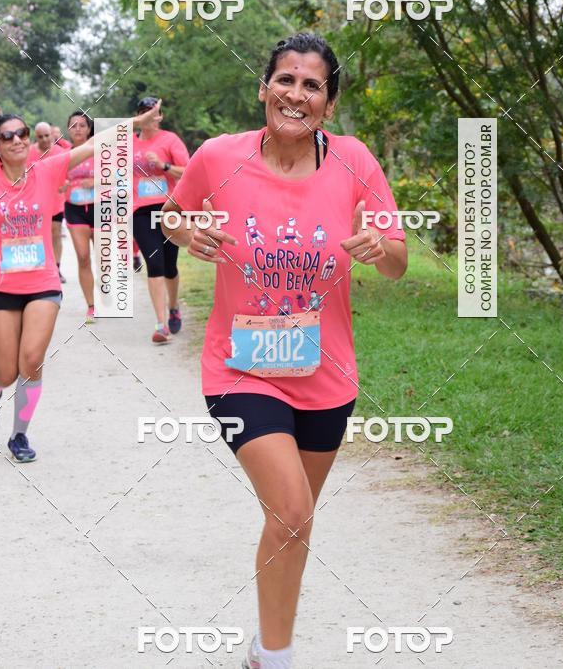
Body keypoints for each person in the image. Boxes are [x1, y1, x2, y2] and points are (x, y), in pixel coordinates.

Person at [162, 33, 407, 669]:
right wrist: (188, 230)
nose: (296, 94)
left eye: (312, 85)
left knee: (291, 522)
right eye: (285, 80)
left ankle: (262, 648)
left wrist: (380, 248)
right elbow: (171, 213)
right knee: (294, 511)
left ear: (329, 103)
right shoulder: (219, 156)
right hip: (240, 368)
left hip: (326, 374)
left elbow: (397, 261)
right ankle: (278, 659)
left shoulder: (355, 161)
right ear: (264, 89)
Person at [0, 104, 160, 461]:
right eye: (7, 136)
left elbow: (98, 143)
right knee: (4, 374)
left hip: (42, 284)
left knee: (31, 361)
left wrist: (137, 122)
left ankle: (19, 435)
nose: (17, 140)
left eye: (22, 133)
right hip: (1, 286)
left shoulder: (46, 169)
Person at [132, 96, 189, 344]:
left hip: (169, 210)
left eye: (153, 111)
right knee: (154, 264)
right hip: (140, 212)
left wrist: (163, 166)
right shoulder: (128, 144)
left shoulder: (170, 140)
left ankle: (174, 307)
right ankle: (161, 324)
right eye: (144, 111)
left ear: (160, 116)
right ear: (139, 116)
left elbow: (187, 171)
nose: (149, 115)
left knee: (169, 266)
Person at [64, 111, 97, 322]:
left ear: (89, 129)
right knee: (83, 257)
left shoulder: (100, 150)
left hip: (100, 208)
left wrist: (96, 182)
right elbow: (52, 180)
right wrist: (62, 185)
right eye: (73, 125)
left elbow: (119, 175)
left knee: (104, 258)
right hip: (75, 210)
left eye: (82, 125)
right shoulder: (63, 155)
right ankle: (91, 306)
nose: (77, 129)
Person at [28, 122, 67, 283]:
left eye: (47, 135)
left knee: (55, 234)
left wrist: (66, 183)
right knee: (37, 236)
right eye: (40, 137)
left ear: (52, 135)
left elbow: (68, 174)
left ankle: (56, 268)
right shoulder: (28, 153)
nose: (44, 139)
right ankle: (39, 268)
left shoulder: (61, 152)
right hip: (34, 202)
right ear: (35, 137)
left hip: (55, 201)